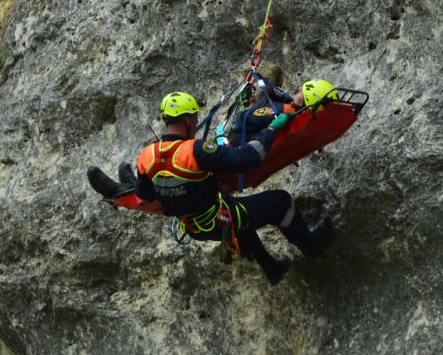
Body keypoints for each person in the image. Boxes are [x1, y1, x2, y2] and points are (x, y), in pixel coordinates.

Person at [88, 91, 334, 285]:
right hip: (220, 217)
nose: (196, 122)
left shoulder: (146, 156)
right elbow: (248, 158)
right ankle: (311, 245)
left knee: (242, 221)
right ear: (187, 119)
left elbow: (146, 195)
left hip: (195, 228)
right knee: (280, 202)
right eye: (195, 117)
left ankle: (272, 269)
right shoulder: (195, 151)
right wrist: (272, 129)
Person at [225, 78, 339, 144]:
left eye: (302, 91)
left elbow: (243, 120)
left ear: (305, 98)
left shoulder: (280, 110)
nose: (299, 88)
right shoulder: (305, 118)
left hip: (238, 142)